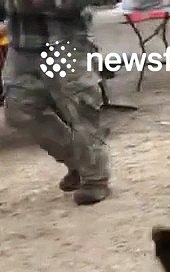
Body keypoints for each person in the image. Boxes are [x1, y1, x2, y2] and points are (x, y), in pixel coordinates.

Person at [1, 0, 110, 205]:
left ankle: (95, 179)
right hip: (21, 47)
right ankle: (78, 163)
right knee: (19, 110)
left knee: (80, 110)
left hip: (66, 43)